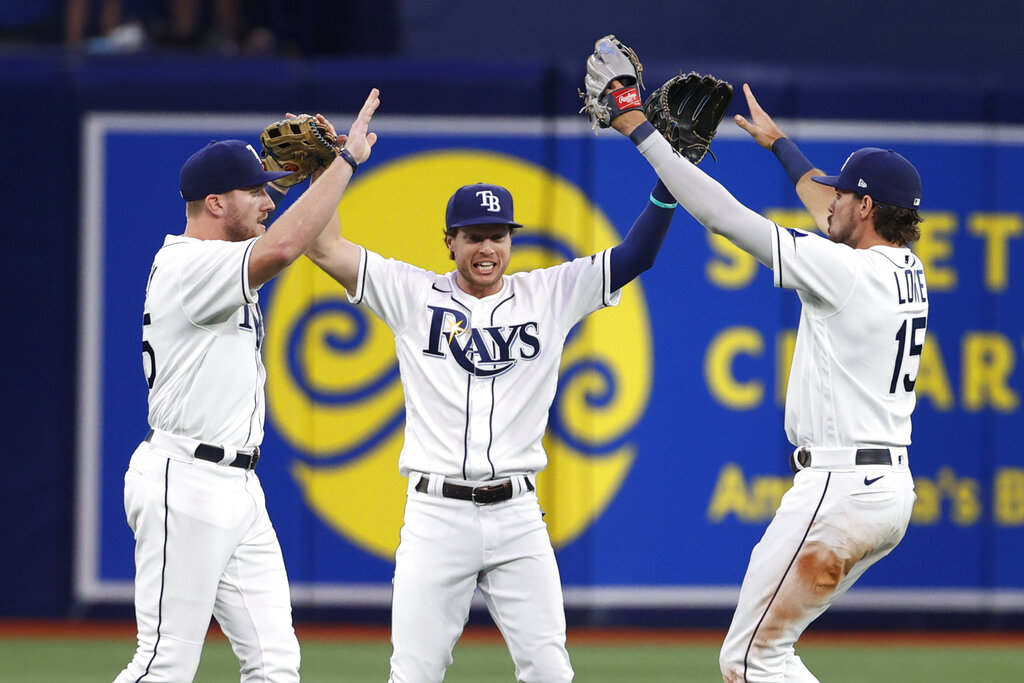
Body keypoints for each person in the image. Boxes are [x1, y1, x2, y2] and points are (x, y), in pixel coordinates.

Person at [601, 72, 926, 682]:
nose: (827, 200)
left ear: (865, 208)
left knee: (750, 658)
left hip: (841, 488)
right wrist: (780, 146)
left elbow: (724, 217)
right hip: (887, 491)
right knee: (762, 654)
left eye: (842, 195)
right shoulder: (904, 267)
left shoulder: (846, 272)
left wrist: (639, 131)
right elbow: (822, 201)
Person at [305, 170, 679, 677]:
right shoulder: (411, 293)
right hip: (436, 515)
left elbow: (637, 255)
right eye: (475, 236)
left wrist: (667, 184)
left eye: (498, 236)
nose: (488, 248)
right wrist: (331, 170)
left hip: (518, 516)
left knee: (551, 672)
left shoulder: (550, 293)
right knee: (413, 672)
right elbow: (325, 247)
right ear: (449, 242)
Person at [113, 89, 379, 683]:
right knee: (164, 663)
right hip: (185, 482)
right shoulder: (191, 266)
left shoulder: (215, 264)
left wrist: (322, 171)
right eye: (255, 191)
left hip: (237, 487)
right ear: (214, 203)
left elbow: (305, 239)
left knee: (276, 663)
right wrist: (346, 163)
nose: (267, 201)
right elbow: (285, 246)